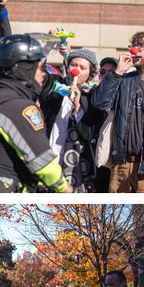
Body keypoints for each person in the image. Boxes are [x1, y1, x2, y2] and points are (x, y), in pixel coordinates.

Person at [0, 34, 71, 193]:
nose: (44, 74)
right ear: (24, 69)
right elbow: (43, 163)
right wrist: (67, 190)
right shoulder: (15, 105)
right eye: (40, 68)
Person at [91, 31, 144, 192]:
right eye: (134, 46)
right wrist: (118, 72)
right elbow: (99, 103)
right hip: (122, 165)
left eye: (143, 46)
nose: (136, 50)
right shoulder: (123, 81)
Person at [40, 47, 107, 192]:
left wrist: (77, 105)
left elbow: (89, 132)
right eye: (73, 65)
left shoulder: (93, 96)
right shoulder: (55, 84)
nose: (76, 70)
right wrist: (47, 48)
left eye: (83, 67)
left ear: (90, 73)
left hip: (78, 164)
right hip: (50, 155)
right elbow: (38, 75)